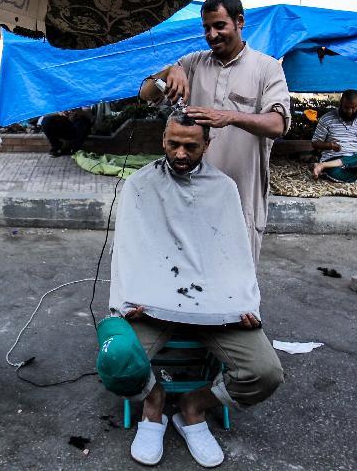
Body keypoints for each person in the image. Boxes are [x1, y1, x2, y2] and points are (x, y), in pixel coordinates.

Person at [104, 112, 283, 467]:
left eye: (191, 146)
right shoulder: (140, 184)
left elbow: (235, 256)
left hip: (214, 305)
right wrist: (129, 298)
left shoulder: (224, 188)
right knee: (115, 361)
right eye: (174, 144)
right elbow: (127, 252)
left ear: (207, 145)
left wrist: (246, 304)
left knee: (265, 373)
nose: (181, 154)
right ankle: (153, 403)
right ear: (163, 141)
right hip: (150, 303)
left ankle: (194, 405)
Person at [138, 0, 290, 268]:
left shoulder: (267, 68)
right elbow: (146, 93)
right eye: (206, 28)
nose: (212, 34)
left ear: (239, 21)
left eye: (219, 26)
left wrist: (229, 116)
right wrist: (171, 70)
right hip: (190, 192)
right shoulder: (194, 62)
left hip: (240, 194)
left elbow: (277, 124)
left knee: (234, 276)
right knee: (186, 274)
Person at [311, 90, 357, 182]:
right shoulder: (326, 118)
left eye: (353, 108)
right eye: (346, 107)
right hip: (332, 159)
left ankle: (322, 165)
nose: (349, 111)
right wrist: (330, 145)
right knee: (335, 173)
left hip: (356, 160)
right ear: (340, 103)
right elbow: (315, 143)